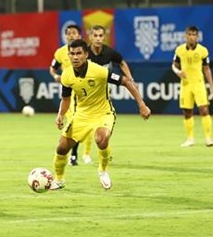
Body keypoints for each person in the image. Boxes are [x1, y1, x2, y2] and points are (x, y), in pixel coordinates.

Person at [51, 39, 151, 190]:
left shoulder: (98, 71)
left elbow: (126, 82)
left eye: (79, 53)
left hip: (103, 112)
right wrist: (60, 115)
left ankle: (103, 170)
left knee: (101, 139)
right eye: (72, 54)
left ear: (86, 55)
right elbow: (65, 99)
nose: (75, 57)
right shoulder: (66, 75)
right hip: (82, 115)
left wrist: (142, 105)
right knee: (62, 148)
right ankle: (59, 180)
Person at [73, 24, 135, 164]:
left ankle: (98, 152)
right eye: (95, 35)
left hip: (103, 94)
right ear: (90, 36)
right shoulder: (85, 52)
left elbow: (122, 62)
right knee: (81, 124)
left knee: (101, 127)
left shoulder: (109, 52)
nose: (98, 38)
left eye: (101, 35)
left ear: (105, 37)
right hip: (85, 94)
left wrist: (130, 79)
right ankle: (80, 154)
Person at [172, 26, 213, 147]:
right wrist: (178, 72)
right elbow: (174, 66)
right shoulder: (179, 50)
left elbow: (207, 69)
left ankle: (208, 138)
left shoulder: (203, 51)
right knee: (187, 112)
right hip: (185, 84)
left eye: (194, 35)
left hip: (198, 84)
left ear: (197, 37)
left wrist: (212, 88)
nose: (191, 37)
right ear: (185, 36)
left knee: (204, 110)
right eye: (189, 34)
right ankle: (190, 139)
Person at [49, 24, 81, 165]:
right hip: (69, 92)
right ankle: (72, 154)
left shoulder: (85, 51)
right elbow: (52, 68)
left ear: (79, 35)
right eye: (68, 33)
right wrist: (56, 76)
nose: (71, 35)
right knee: (74, 120)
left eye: (74, 33)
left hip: (83, 90)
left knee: (79, 123)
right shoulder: (60, 52)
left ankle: (73, 153)